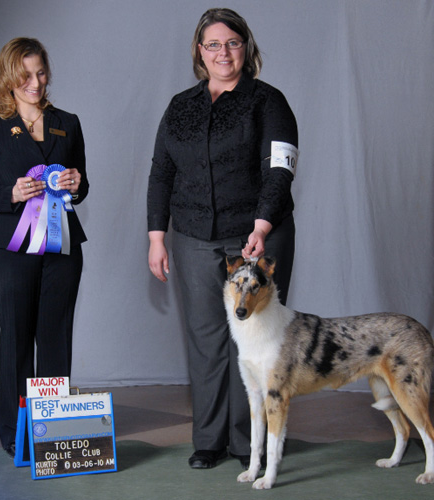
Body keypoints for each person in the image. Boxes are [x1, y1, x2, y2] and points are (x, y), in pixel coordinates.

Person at [147, 8, 298, 470]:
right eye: (213, 44)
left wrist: (262, 226)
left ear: (246, 48)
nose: (223, 53)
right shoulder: (180, 106)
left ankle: (247, 442)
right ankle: (209, 441)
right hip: (194, 236)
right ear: (200, 51)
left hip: (255, 235)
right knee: (206, 338)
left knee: (255, 341)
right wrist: (157, 237)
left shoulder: (269, 101)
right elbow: (161, 173)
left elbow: (279, 170)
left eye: (232, 42)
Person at [0, 37, 89, 457]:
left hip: (63, 250)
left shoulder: (68, 122)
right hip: (12, 251)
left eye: (40, 73)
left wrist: (76, 184)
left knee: (55, 341)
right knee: (16, 342)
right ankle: (16, 435)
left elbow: (81, 185)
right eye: (24, 75)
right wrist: (11, 194)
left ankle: (52, 434)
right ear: (8, 77)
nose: (35, 83)